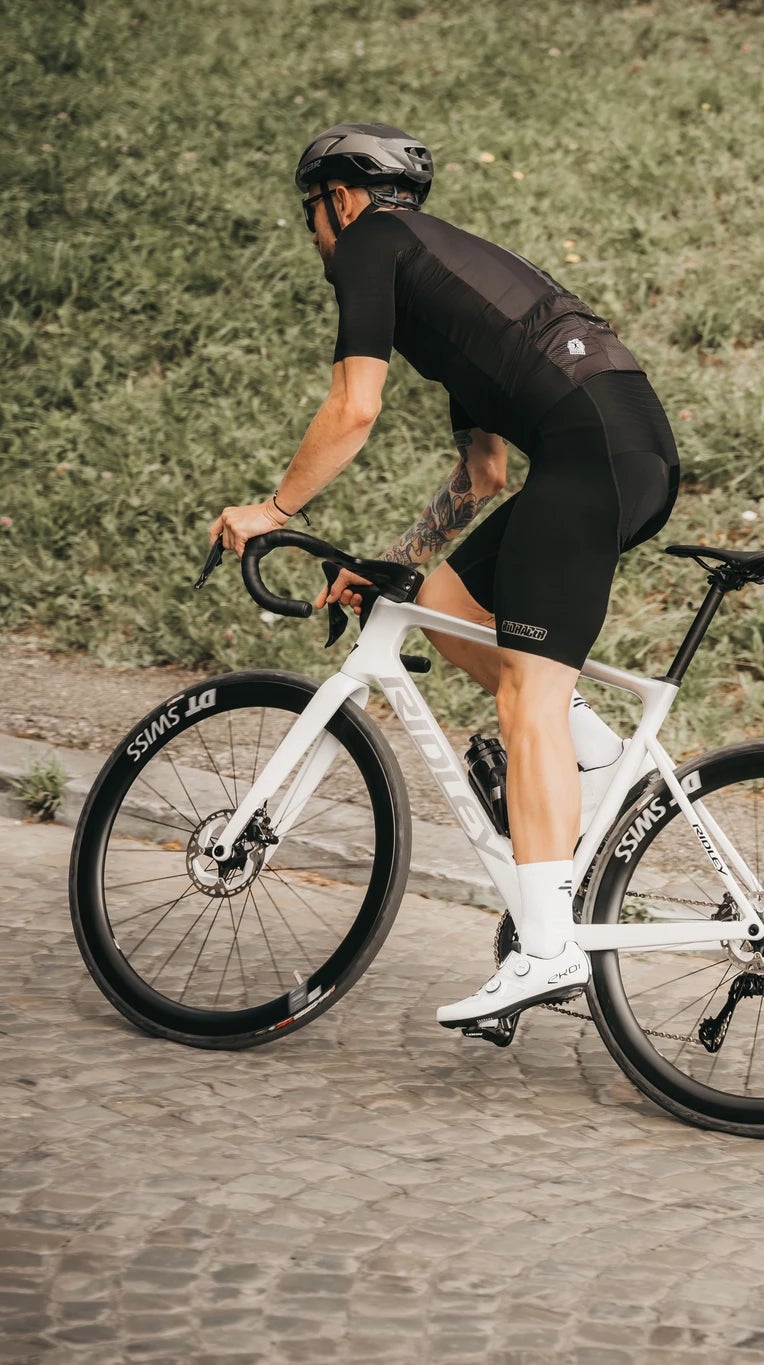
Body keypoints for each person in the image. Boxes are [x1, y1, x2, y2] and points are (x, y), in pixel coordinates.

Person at [206, 123, 679, 1031]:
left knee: (529, 699)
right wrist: (397, 563)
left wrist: (275, 507)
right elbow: (484, 474)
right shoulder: (450, 285)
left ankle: (548, 948)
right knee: (443, 604)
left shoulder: (372, 244)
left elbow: (354, 406)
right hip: (622, 451)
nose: (315, 236)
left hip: (591, 457)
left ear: (340, 199)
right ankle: (595, 762)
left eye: (311, 214)